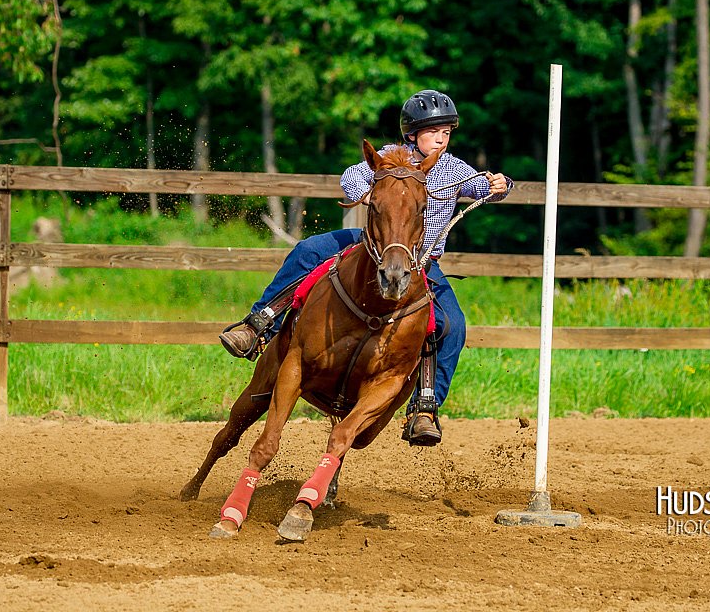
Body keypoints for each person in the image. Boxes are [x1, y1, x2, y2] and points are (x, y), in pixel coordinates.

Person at [219, 89, 513, 445]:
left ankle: (425, 405)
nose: (441, 138)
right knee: (309, 250)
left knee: (452, 324)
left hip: (420, 260)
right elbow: (352, 176)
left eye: (446, 132)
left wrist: (500, 185)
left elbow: (484, 187)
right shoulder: (387, 158)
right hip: (369, 246)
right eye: (433, 130)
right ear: (411, 134)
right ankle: (260, 324)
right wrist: (371, 191)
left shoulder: (453, 169)